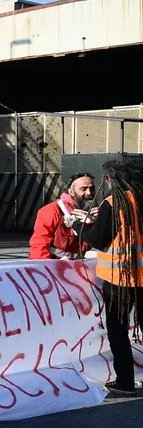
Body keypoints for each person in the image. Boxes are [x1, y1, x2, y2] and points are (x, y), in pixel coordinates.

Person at [82, 160, 142, 397]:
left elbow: (98, 239)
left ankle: (125, 381)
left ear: (110, 179)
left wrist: (79, 225)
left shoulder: (113, 202)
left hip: (121, 278)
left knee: (118, 329)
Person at [29, 172, 96, 260]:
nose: (89, 192)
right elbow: (40, 243)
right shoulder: (52, 210)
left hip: (79, 264)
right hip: (55, 264)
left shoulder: (94, 212)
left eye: (92, 188)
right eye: (83, 189)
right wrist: (42, 268)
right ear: (71, 192)